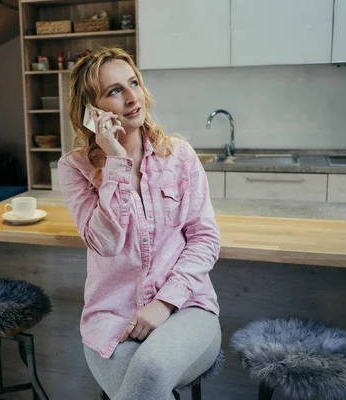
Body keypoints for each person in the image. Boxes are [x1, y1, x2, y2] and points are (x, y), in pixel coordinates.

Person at [58, 46, 222, 400]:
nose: (132, 97)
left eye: (133, 83)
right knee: (143, 389)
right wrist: (115, 160)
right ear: (92, 110)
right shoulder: (74, 168)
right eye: (115, 90)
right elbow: (106, 242)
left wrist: (164, 303)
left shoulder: (179, 156)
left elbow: (205, 239)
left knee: (149, 373)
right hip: (113, 319)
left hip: (187, 309)